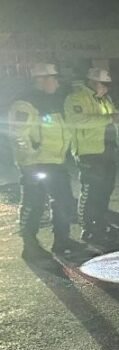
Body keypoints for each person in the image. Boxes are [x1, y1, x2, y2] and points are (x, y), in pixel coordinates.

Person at [8, 63, 81, 260]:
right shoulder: (25, 104)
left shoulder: (52, 100)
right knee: (34, 205)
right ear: (42, 80)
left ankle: (62, 241)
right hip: (36, 164)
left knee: (63, 201)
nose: (57, 83)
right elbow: (18, 135)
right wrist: (29, 161)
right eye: (54, 78)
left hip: (54, 161)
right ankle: (30, 246)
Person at [65, 67, 119, 243]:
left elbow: (113, 118)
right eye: (103, 84)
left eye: (108, 84)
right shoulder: (76, 98)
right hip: (89, 152)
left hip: (107, 150)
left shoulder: (104, 99)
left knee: (105, 189)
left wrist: (117, 121)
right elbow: (78, 121)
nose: (106, 87)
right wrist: (110, 119)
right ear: (92, 81)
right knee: (90, 190)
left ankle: (101, 222)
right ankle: (87, 227)